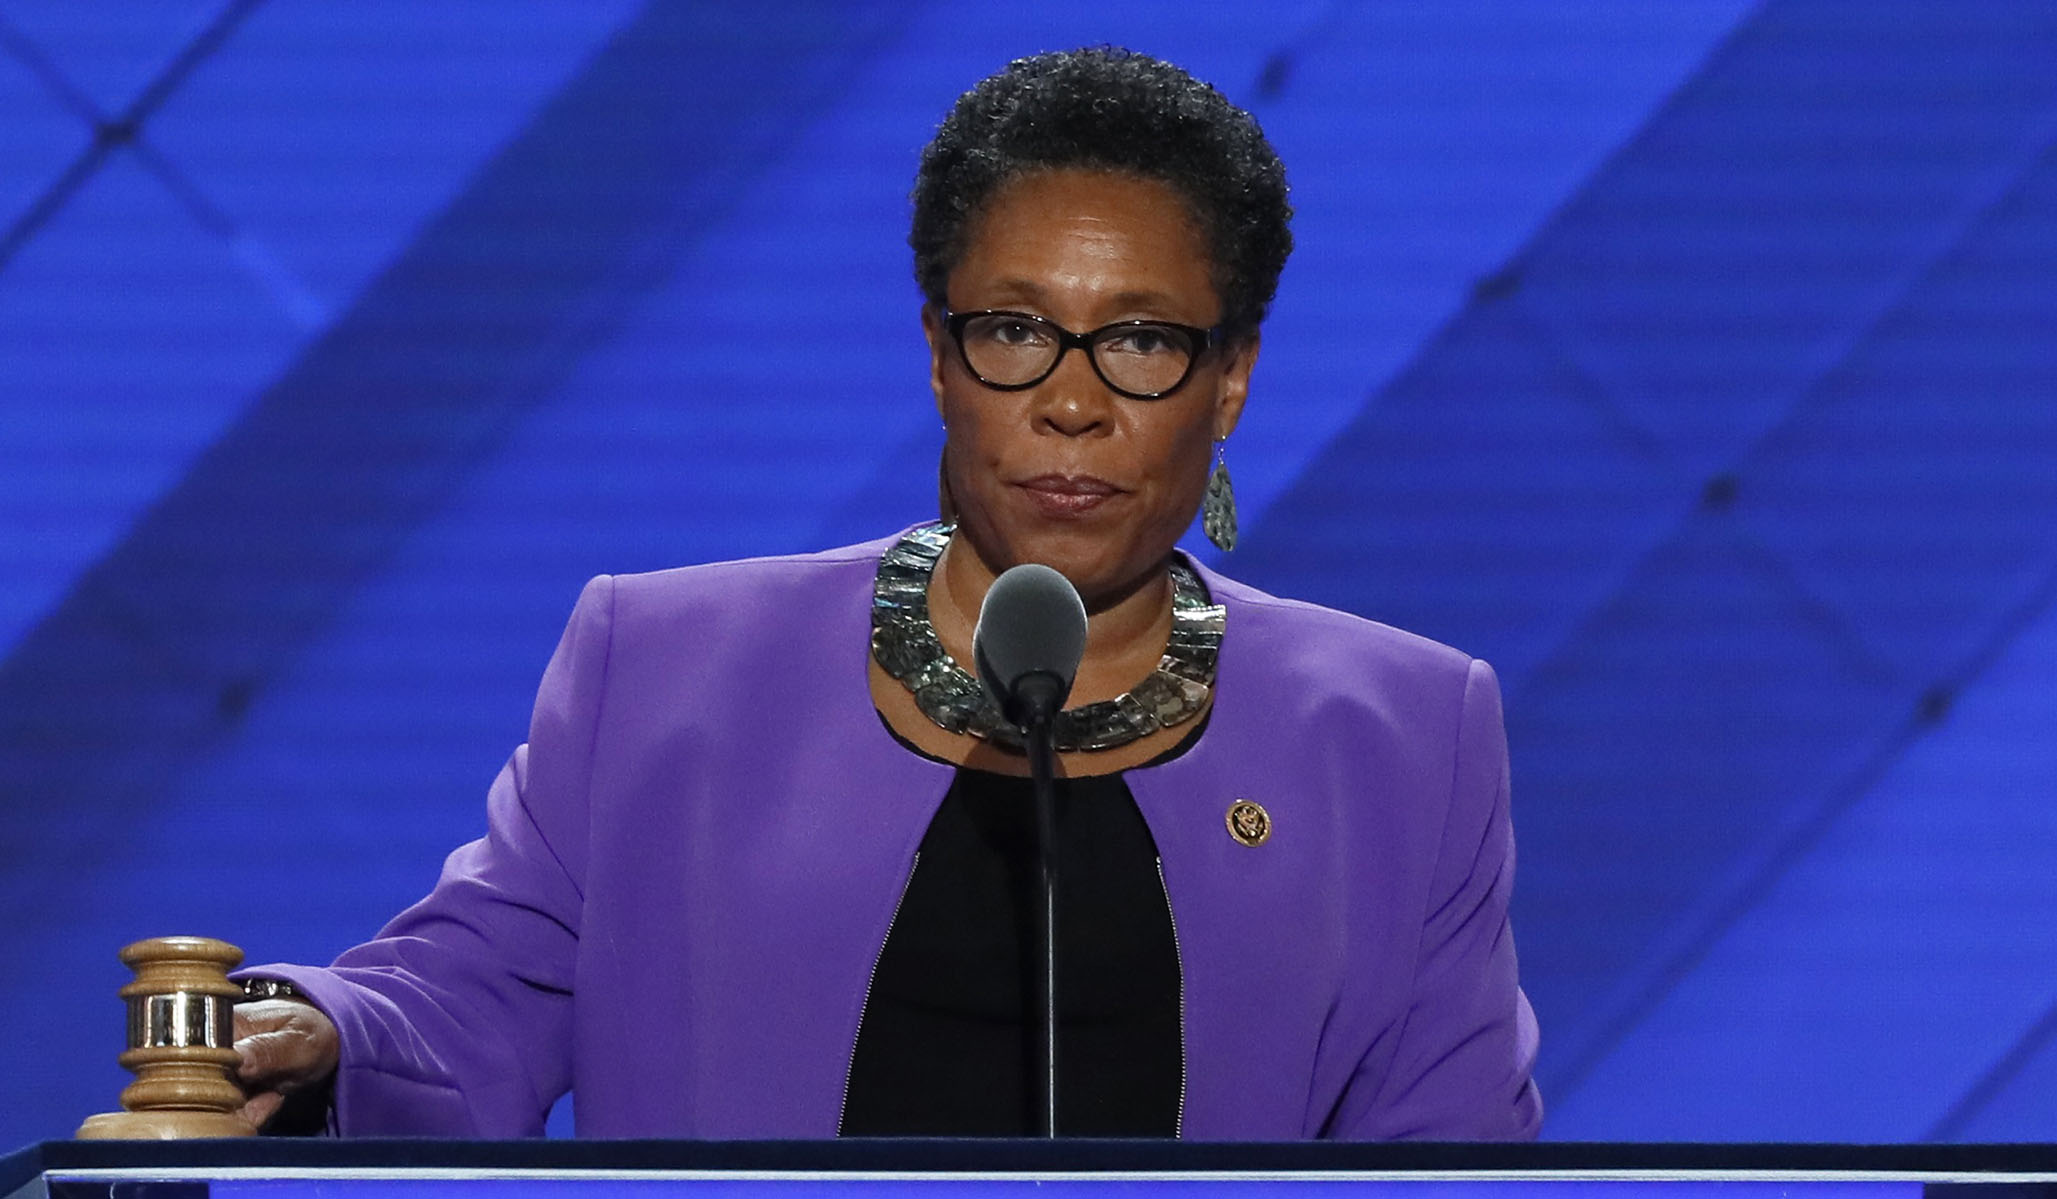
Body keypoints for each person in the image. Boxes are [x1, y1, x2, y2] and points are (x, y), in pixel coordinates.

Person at [231, 46, 1541, 1140]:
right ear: (938, 355)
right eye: (1014, 331)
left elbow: (1456, 1153)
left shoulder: (1405, 741)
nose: (1071, 402)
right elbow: (467, 998)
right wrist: (318, 1029)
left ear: (1230, 378)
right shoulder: (664, 672)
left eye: (1141, 341)